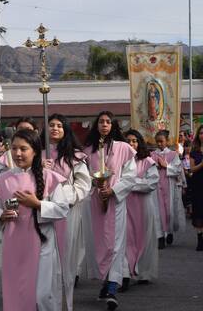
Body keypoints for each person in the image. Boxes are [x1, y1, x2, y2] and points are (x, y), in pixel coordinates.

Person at [0, 129, 69, 311]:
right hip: (14, 245)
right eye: (14, 148)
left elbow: (62, 208)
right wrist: (1, 214)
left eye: (23, 149)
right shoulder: (2, 180)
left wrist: (38, 204)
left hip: (42, 244)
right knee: (15, 292)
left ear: (35, 151)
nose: (17, 153)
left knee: (41, 295)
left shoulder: (49, 178)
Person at [83, 111, 137, 311]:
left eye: (107, 121)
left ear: (113, 125)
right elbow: (83, 176)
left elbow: (130, 176)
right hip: (95, 203)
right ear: (96, 125)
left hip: (115, 202)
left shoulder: (124, 148)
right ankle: (105, 281)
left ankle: (113, 287)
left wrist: (113, 190)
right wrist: (94, 184)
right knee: (99, 244)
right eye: (100, 121)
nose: (104, 124)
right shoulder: (89, 150)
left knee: (115, 244)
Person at [41, 114, 91, 311]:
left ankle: (63, 305)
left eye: (59, 126)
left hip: (67, 213)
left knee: (64, 261)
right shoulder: (37, 153)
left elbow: (83, 185)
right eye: (51, 125)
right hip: (41, 212)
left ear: (65, 130)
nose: (54, 128)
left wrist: (64, 199)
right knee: (44, 260)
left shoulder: (75, 156)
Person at [122, 129, 159, 290]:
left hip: (143, 205)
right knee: (125, 239)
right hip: (124, 205)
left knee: (145, 237)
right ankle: (125, 273)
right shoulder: (120, 161)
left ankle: (144, 272)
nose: (131, 144)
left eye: (134, 141)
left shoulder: (148, 161)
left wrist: (129, 183)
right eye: (128, 141)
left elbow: (151, 183)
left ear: (139, 143)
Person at [151, 130, 183, 250]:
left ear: (167, 141)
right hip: (156, 187)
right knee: (158, 212)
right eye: (157, 142)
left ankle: (169, 232)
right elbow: (148, 169)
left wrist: (166, 166)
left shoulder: (173, 155)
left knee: (169, 212)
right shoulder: (152, 155)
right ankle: (160, 237)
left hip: (169, 187)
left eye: (161, 141)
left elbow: (178, 170)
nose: (159, 144)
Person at [189, 125, 203, 251]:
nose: (202, 135)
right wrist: (202, 164)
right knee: (199, 210)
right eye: (201, 133)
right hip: (198, 184)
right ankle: (200, 238)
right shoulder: (194, 151)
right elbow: (192, 169)